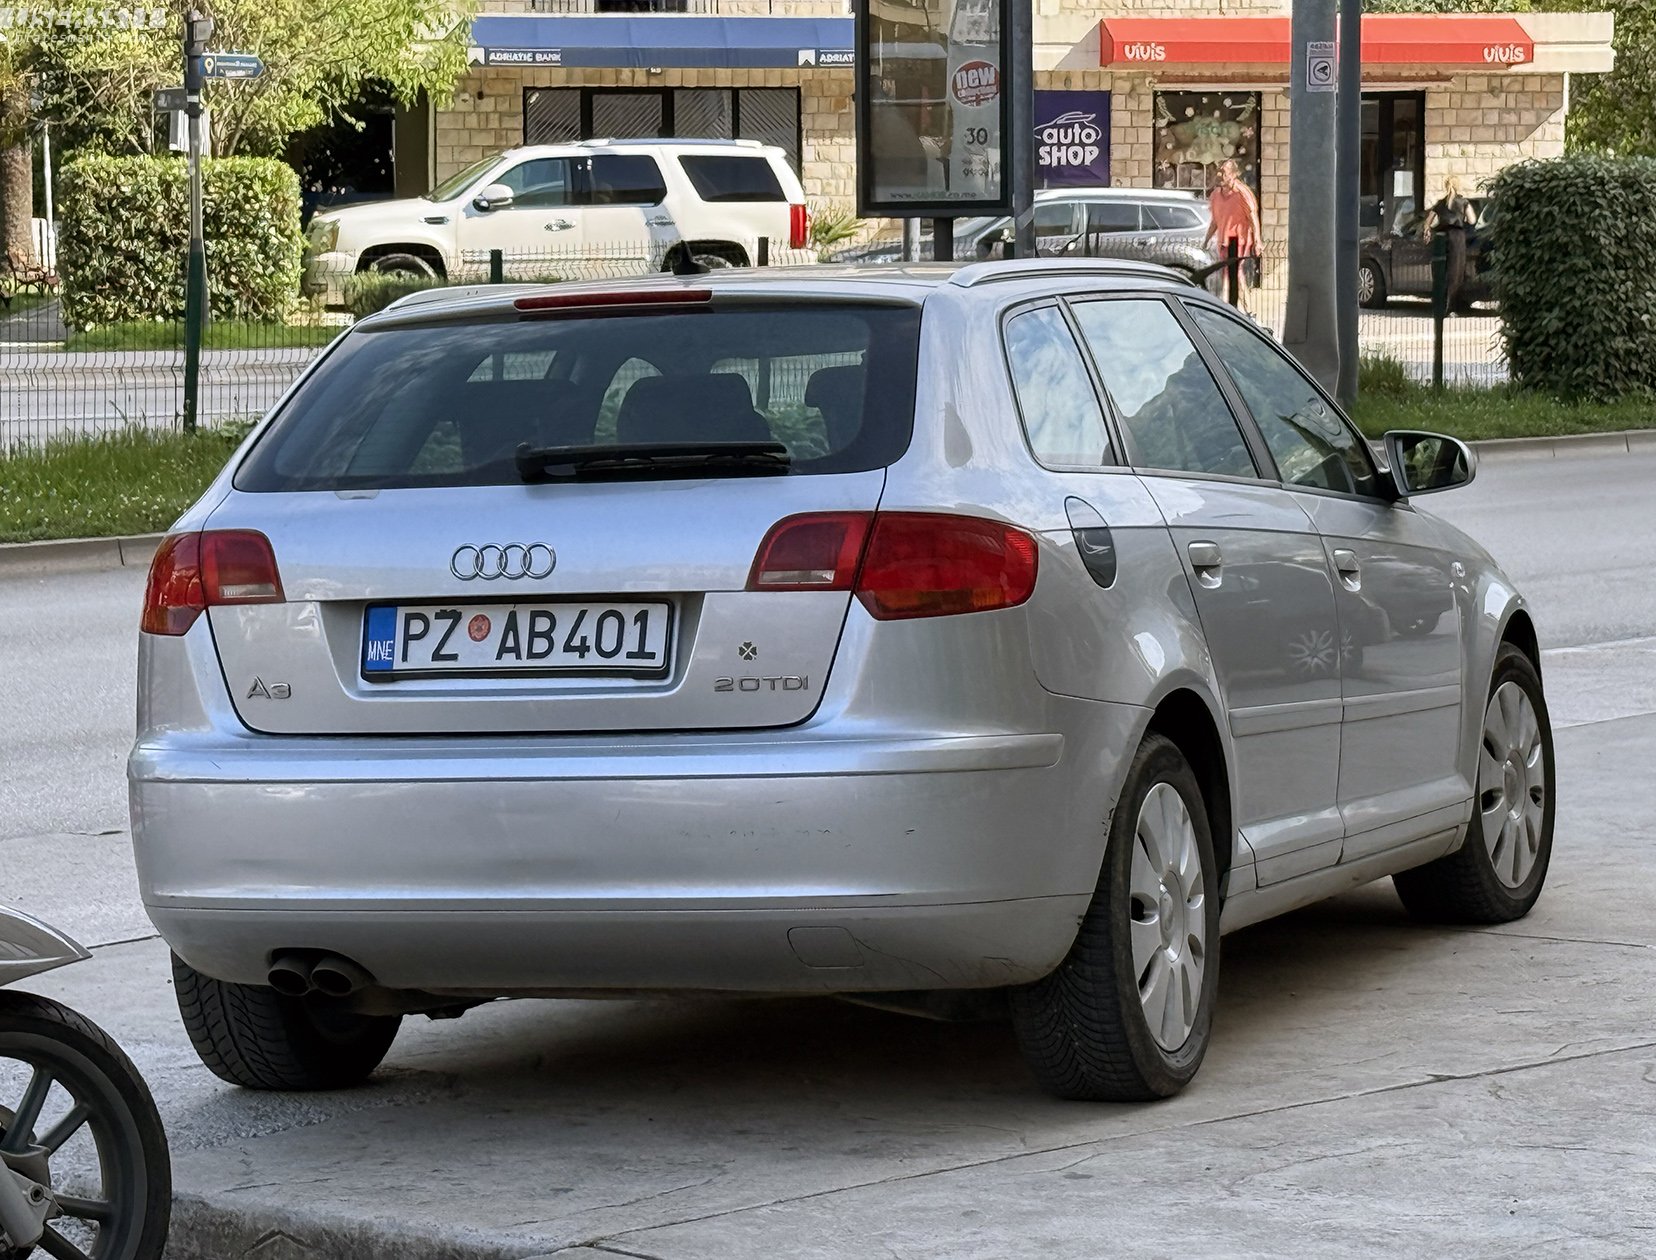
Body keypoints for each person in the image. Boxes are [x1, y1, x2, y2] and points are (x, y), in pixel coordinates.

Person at [1203, 159, 1262, 311]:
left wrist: (1257, 241)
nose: (1219, 174)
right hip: (1223, 241)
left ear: (1234, 174)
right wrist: (1206, 240)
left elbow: (1252, 217)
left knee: (1235, 273)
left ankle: (1246, 310)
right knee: (1229, 274)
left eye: (1223, 172)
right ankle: (1236, 308)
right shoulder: (1216, 195)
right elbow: (1215, 221)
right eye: (1219, 171)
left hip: (1238, 239)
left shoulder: (1242, 193)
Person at [1424, 175, 1474, 315]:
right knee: (1456, 273)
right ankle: (1451, 308)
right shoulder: (1463, 202)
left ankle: (1439, 306)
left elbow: (1428, 221)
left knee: (1441, 271)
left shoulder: (1440, 203)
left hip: (1442, 238)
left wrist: (1427, 230)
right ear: (1458, 186)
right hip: (1457, 239)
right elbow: (1472, 220)